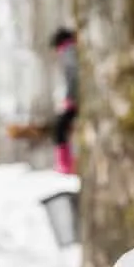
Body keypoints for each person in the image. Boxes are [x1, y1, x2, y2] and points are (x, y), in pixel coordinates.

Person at [50, 27, 79, 175]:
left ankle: (65, 165)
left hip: (76, 99)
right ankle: (67, 164)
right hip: (76, 98)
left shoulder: (68, 52)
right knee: (63, 128)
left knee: (60, 129)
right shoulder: (72, 50)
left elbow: (73, 77)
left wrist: (70, 99)